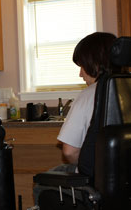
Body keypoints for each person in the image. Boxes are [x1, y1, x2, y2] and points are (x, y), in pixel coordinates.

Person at [33, 32, 116, 208]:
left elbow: (70, 152)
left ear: (95, 63)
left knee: (42, 182)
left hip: (94, 182)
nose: (80, 74)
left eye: (83, 66)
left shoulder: (89, 95)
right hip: (124, 180)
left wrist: (89, 165)